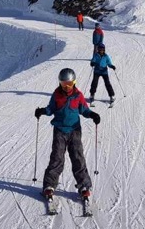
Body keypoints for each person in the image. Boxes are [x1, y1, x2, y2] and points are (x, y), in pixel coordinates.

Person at [34, 68, 101, 199]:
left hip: (75, 130)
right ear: (60, 83)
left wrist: (92, 114)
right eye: (64, 84)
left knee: (78, 157)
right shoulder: (56, 95)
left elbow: (84, 110)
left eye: (69, 84)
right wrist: (42, 111)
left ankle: (84, 186)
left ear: (74, 83)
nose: (66, 87)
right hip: (59, 130)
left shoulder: (78, 95)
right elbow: (50, 109)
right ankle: (49, 185)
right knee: (57, 157)